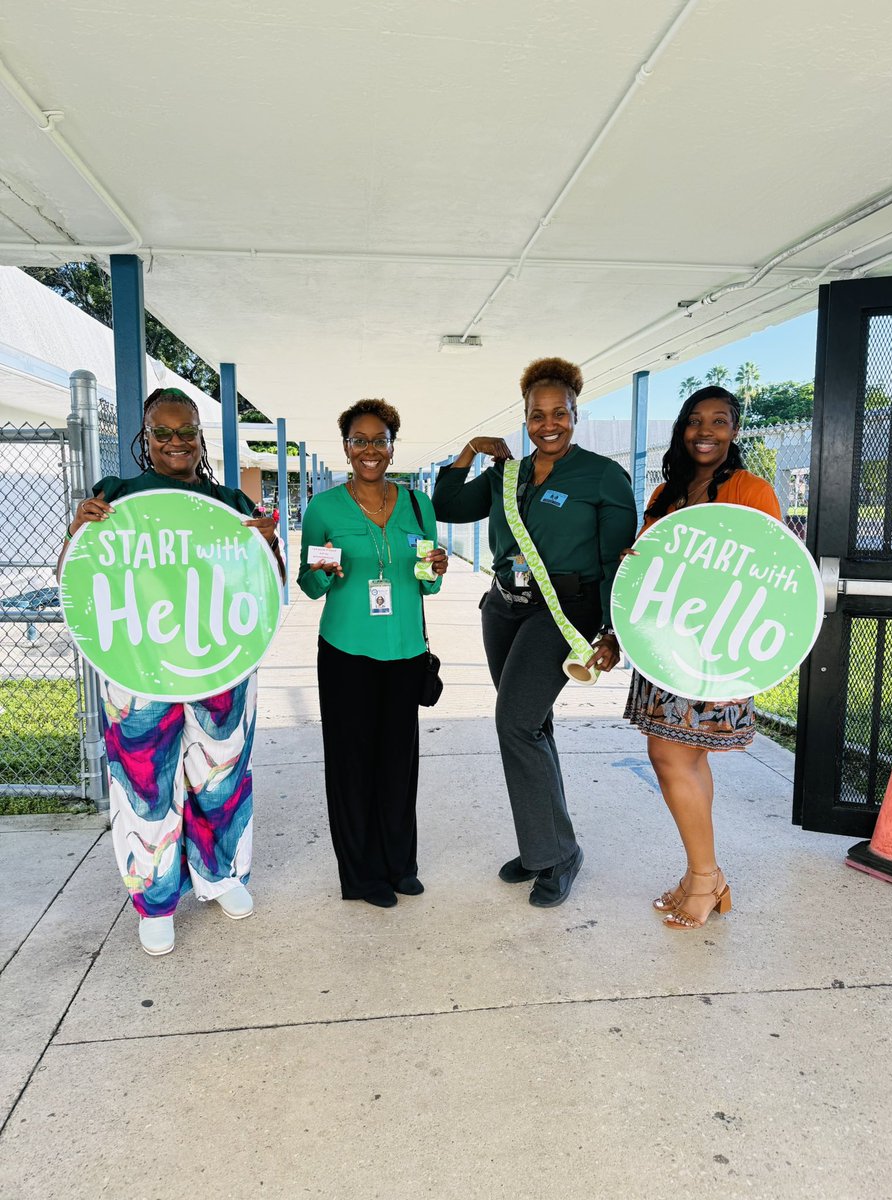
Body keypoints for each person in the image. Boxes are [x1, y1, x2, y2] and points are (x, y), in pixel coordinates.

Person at [57, 387, 284, 957]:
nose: (177, 443)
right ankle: (155, 903)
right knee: (145, 785)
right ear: (145, 438)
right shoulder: (116, 498)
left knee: (221, 777)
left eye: (187, 432)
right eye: (164, 433)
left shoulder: (228, 502)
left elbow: (266, 587)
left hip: (220, 667)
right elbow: (75, 577)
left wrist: (269, 547)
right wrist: (75, 535)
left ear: (201, 437)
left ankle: (223, 874)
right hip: (138, 673)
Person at [432, 357, 636, 907]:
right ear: (524, 417)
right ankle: (542, 843)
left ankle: (557, 852)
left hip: (563, 612)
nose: (548, 424)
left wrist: (613, 631)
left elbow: (618, 560)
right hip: (504, 608)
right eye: (536, 415)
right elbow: (445, 505)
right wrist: (471, 452)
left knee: (515, 724)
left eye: (560, 413)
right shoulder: (508, 474)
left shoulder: (601, 475)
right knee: (533, 726)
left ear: (576, 413)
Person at [623, 386, 781, 930]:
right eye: (694, 421)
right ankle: (701, 877)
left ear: (735, 430)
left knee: (671, 758)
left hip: (714, 650)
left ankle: (706, 877)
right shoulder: (666, 493)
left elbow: (767, 576)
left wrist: (744, 669)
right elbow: (652, 568)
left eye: (719, 421)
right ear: (682, 430)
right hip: (664, 646)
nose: (705, 431)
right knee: (686, 758)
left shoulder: (750, 490)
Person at [298, 399, 448, 908]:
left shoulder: (418, 504)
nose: (369, 449)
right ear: (345, 447)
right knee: (351, 763)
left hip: (405, 650)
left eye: (378, 440)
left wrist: (436, 569)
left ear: (391, 446)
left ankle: (399, 864)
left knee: (398, 763)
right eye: (358, 440)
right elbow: (309, 583)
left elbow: (427, 587)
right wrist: (325, 571)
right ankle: (361, 876)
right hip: (346, 652)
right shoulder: (324, 508)